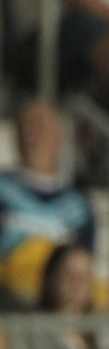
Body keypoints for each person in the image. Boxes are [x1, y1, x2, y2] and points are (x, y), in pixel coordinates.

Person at [0, 101, 96, 299]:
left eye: (43, 126)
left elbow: (86, 259)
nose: (35, 135)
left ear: (59, 136)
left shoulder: (78, 203)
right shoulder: (3, 188)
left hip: (61, 300)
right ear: (16, 136)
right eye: (28, 126)